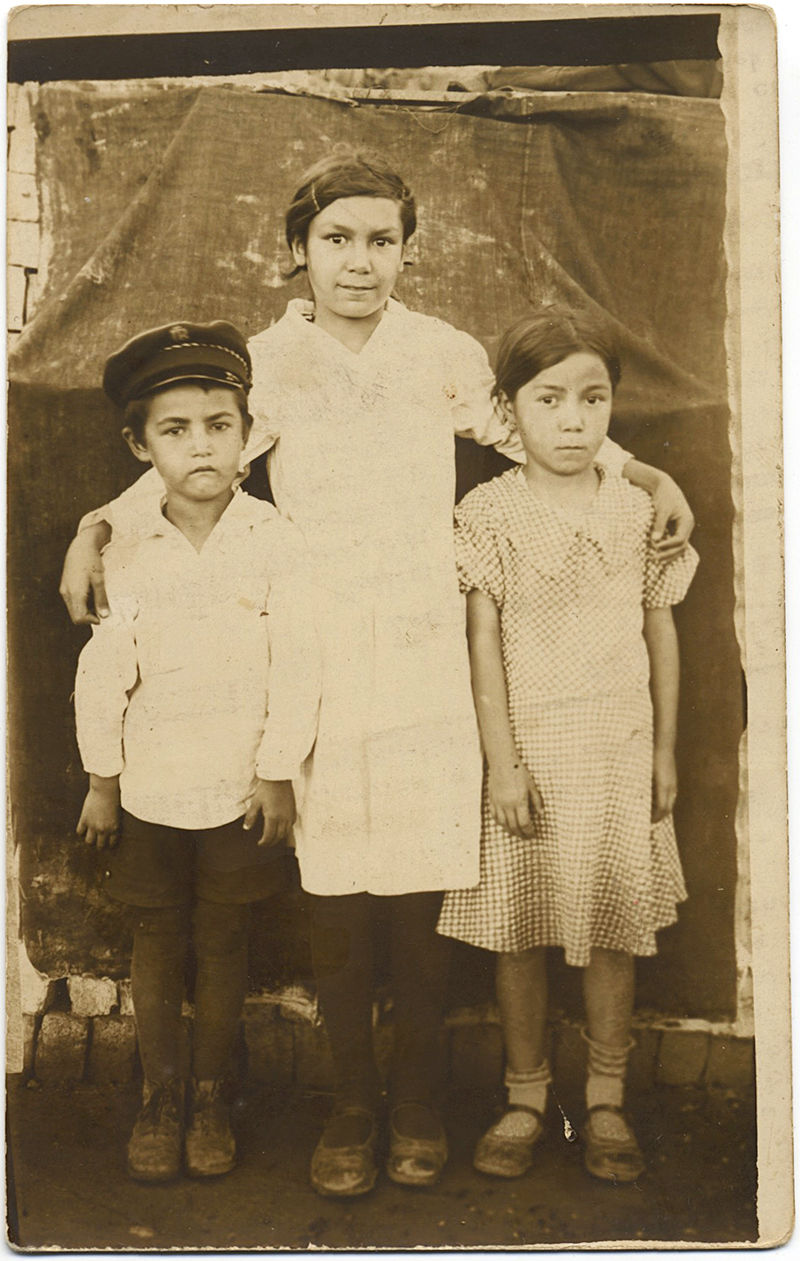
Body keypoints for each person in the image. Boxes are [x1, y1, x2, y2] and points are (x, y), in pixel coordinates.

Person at [59, 151, 694, 1198]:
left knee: (418, 901)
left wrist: (639, 466)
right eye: (336, 240)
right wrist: (96, 529)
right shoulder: (266, 362)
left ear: (407, 250)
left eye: (381, 240)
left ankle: (419, 1111)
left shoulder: (437, 351)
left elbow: (526, 426)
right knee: (338, 907)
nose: (359, 262)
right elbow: (193, 459)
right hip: (316, 663)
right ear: (296, 251)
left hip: (424, 661)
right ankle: (350, 1110)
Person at [436, 305, 698, 1184]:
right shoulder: (488, 512)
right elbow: (481, 644)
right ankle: (524, 1094)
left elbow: (662, 633)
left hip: (618, 754)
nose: (575, 419)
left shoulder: (636, 514)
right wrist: (502, 762)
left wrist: (663, 751)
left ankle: (607, 1099)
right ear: (510, 412)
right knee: (521, 932)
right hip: (532, 760)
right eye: (550, 399)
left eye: (594, 398)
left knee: (611, 929)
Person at [74, 321, 320, 1184]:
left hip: (238, 792)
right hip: (148, 792)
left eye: (220, 423)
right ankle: (160, 1092)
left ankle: (213, 1091)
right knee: (155, 935)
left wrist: (277, 768)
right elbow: (103, 672)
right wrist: (104, 779)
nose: (202, 446)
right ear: (142, 445)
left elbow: (300, 662)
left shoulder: (275, 540)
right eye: (175, 431)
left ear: (248, 433)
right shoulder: (128, 551)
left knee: (222, 940)